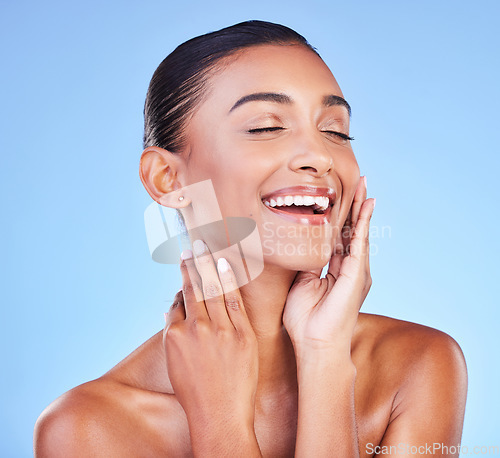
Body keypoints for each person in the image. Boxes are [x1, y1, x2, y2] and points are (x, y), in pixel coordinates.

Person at [33, 20, 467, 457]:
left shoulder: (421, 365)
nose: (319, 156)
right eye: (265, 127)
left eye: (336, 131)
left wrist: (324, 358)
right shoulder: (88, 429)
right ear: (166, 178)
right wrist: (219, 418)